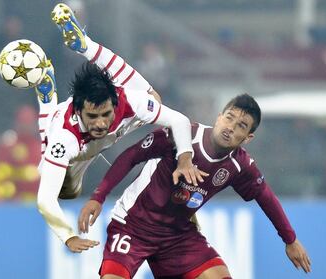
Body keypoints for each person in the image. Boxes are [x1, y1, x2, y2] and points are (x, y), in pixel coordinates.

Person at [79, 94, 312, 278]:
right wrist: (98, 196)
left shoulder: (241, 165)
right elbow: (131, 156)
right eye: (229, 117)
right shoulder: (183, 133)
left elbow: (265, 197)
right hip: (133, 226)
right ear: (219, 117)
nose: (231, 127)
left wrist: (290, 240)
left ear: (248, 137)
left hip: (177, 236)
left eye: (242, 125)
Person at [35, 3, 205, 253]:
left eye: (106, 114)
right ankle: (46, 97)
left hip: (115, 116)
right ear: (80, 111)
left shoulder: (130, 101)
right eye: (93, 116)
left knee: (154, 100)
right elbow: (45, 200)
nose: (101, 123)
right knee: (65, 189)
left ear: (115, 102)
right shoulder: (65, 138)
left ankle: (85, 46)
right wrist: (68, 237)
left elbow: (179, 121)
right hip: (78, 145)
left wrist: (185, 160)